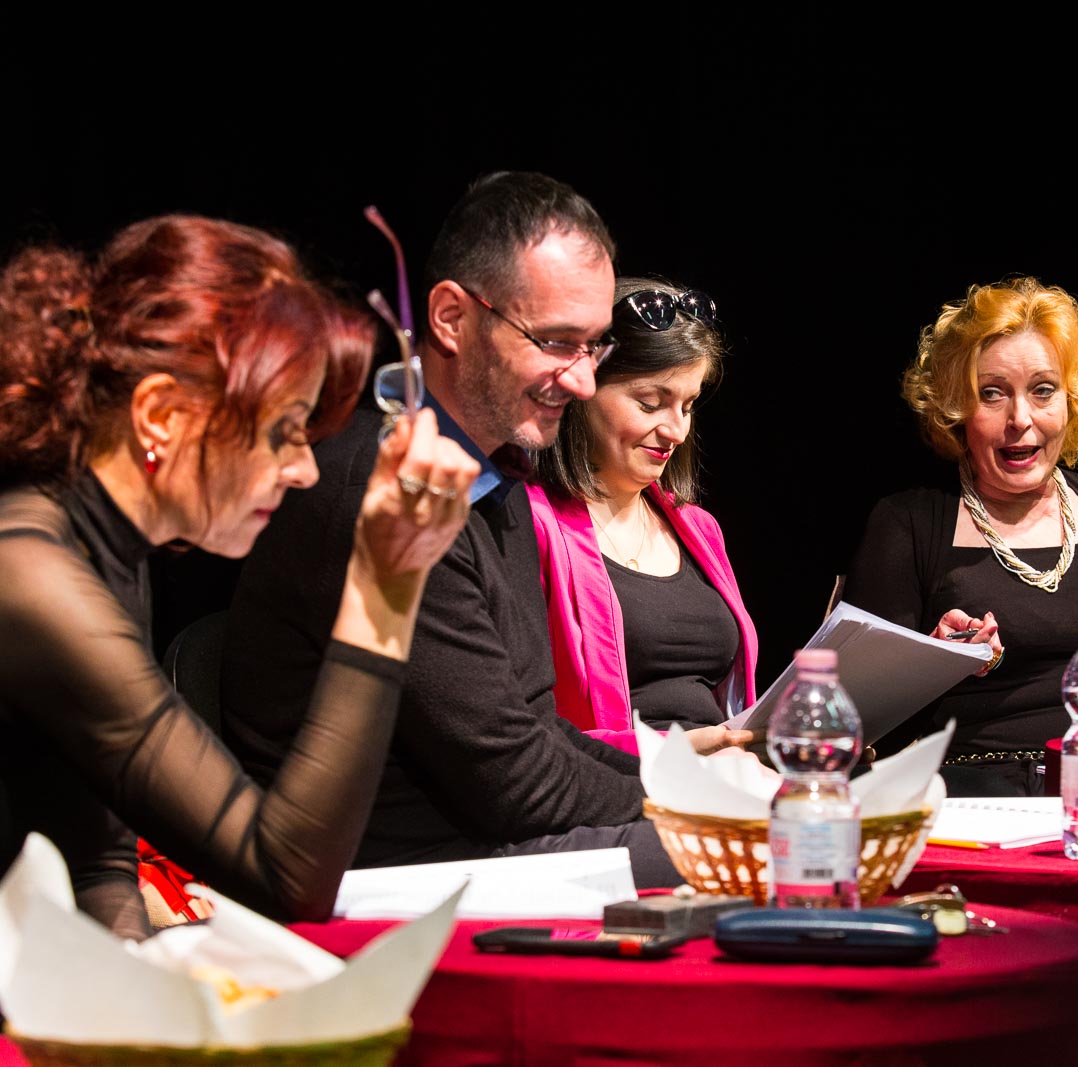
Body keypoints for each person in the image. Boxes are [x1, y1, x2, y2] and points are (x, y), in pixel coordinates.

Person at [223, 173, 730, 886]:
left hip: (483, 845)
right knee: (766, 854)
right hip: (393, 881)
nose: (583, 381)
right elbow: (518, 784)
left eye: (594, 348)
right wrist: (710, 803)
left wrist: (696, 780)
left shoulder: (500, 479)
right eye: (556, 342)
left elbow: (538, 737)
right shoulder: (392, 487)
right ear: (451, 318)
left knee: (792, 835)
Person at [0, 215, 477, 940]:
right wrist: (384, 584)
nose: (305, 468)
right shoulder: (32, 576)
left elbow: (97, 861)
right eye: (285, 429)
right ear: (160, 414)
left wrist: (143, 982)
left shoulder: (105, 545)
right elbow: (284, 873)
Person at [845, 276, 1078, 796]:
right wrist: (935, 661)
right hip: (971, 788)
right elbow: (856, 719)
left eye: (1043, 390)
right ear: (958, 409)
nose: (1020, 419)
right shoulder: (909, 522)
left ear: (1072, 399)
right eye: (992, 394)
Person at [526, 278, 759, 751]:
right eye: (651, 403)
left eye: (688, 406)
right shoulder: (534, 523)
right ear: (581, 390)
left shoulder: (698, 528)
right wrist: (684, 750)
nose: (677, 430)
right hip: (617, 783)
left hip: (723, 774)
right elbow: (527, 733)